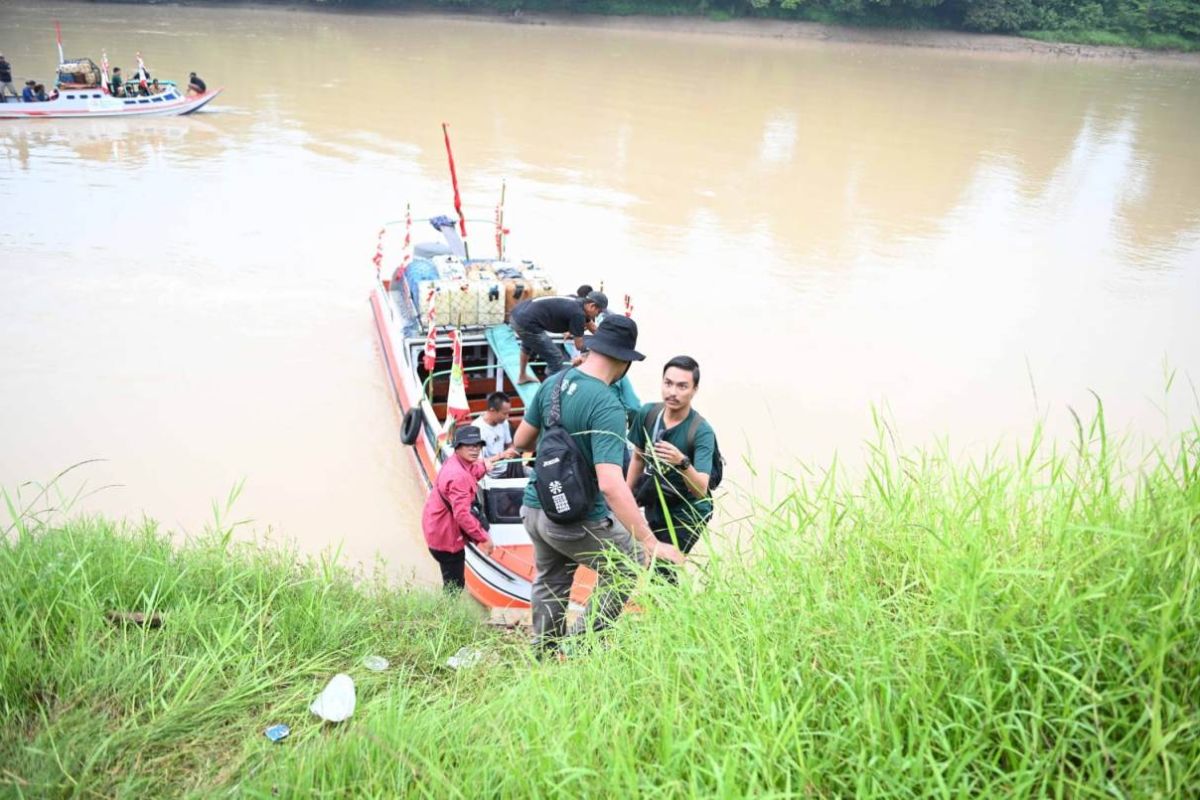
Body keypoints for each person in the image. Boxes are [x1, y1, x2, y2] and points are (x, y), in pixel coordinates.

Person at [513, 315, 684, 653]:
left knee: (551, 581)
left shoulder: (555, 382)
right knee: (628, 563)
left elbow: (521, 441)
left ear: (593, 349)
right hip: (574, 518)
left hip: (536, 507)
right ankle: (579, 649)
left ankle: (544, 656)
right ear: (624, 362)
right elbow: (610, 483)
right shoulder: (606, 403)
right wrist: (650, 542)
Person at [626, 356, 717, 582]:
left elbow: (701, 489)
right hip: (657, 500)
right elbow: (638, 458)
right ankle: (675, 611)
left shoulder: (701, 431)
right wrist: (626, 499)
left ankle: (671, 612)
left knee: (662, 570)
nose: (672, 392)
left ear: (695, 390)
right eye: (668, 383)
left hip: (689, 510)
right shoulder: (648, 414)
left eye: (682, 386)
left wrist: (682, 462)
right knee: (651, 564)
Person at [421, 426, 495, 592]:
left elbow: (472, 470)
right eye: (469, 445)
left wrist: (485, 466)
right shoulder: (458, 476)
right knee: (455, 586)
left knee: (452, 581)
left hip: (435, 526)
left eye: (477, 445)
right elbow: (462, 515)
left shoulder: (457, 462)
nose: (475, 449)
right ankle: (444, 616)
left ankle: (445, 613)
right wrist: (483, 538)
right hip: (445, 539)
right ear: (458, 447)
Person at [510, 290, 607, 384]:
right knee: (556, 359)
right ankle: (547, 393)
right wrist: (594, 351)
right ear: (592, 306)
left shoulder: (578, 302)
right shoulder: (578, 314)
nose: (597, 315)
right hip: (526, 322)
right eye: (598, 312)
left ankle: (522, 376)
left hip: (517, 314)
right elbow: (579, 345)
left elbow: (592, 326)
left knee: (528, 344)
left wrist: (607, 340)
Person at [472, 391, 520, 479]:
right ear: (492, 410)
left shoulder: (504, 423)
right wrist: (501, 456)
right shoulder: (477, 427)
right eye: (504, 413)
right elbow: (477, 461)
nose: (507, 417)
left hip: (508, 469)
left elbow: (510, 445)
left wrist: (512, 451)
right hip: (489, 474)